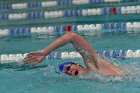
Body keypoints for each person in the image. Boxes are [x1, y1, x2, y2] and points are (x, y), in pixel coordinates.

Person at [23, 26, 124, 76]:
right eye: (67, 73)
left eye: (68, 68)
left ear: (77, 64)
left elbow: (71, 36)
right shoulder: (91, 77)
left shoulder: (94, 64)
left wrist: (45, 52)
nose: (69, 72)